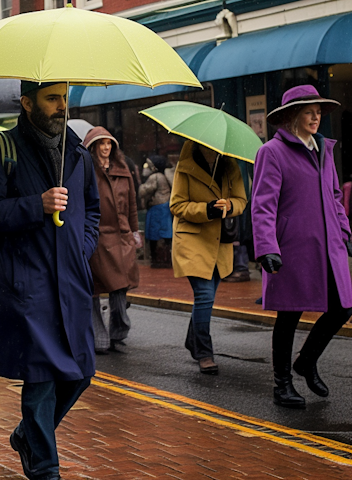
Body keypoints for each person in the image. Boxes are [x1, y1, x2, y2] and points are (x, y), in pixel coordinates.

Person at [0, 81, 100, 480]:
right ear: (27, 103)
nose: (62, 106)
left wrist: (83, 246)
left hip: (71, 278)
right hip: (26, 279)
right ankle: (46, 468)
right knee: (41, 376)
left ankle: (28, 435)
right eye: (52, 98)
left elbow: (92, 209)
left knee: (80, 372)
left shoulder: (78, 152)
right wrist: (36, 205)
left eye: (64, 97)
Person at [251, 85, 352, 409]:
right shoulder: (272, 152)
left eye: (318, 111)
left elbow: (335, 196)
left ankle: (306, 361)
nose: (315, 116)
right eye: (309, 111)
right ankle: (282, 384)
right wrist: (267, 246)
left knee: (343, 306)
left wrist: (344, 230)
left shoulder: (323, 149)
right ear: (293, 116)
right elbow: (263, 205)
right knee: (289, 314)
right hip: (291, 248)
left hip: (328, 246)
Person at [170, 140, 247, 375]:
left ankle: (192, 341)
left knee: (208, 296)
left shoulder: (229, 166)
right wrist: (207, 209)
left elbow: (241, 200)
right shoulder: (185, 167)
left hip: (219, 241)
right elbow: (177, 205)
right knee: (203, 295)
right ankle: (204, 352)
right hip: (192, 239)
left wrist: (228, 206)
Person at [83, 126, 139, 355]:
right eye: (101, 144)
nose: (106, 148)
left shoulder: (123, 169)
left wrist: (135, 231)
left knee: (120, 287)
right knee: (95, 288)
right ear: (93, 147)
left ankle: (118, 331)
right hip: (97, 236)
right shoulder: (86, 170)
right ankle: (99, 339)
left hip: (122, 235)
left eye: (109, 144)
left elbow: (133, 204)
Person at [140, 155, 173, 268]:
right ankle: (166, 259)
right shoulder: (165, 175)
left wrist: (141, 187)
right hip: (166, 207)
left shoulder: (155, 177)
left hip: (156, 209)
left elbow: (143, 191)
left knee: (154, 234)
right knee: (166, 234)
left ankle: (157, 260)